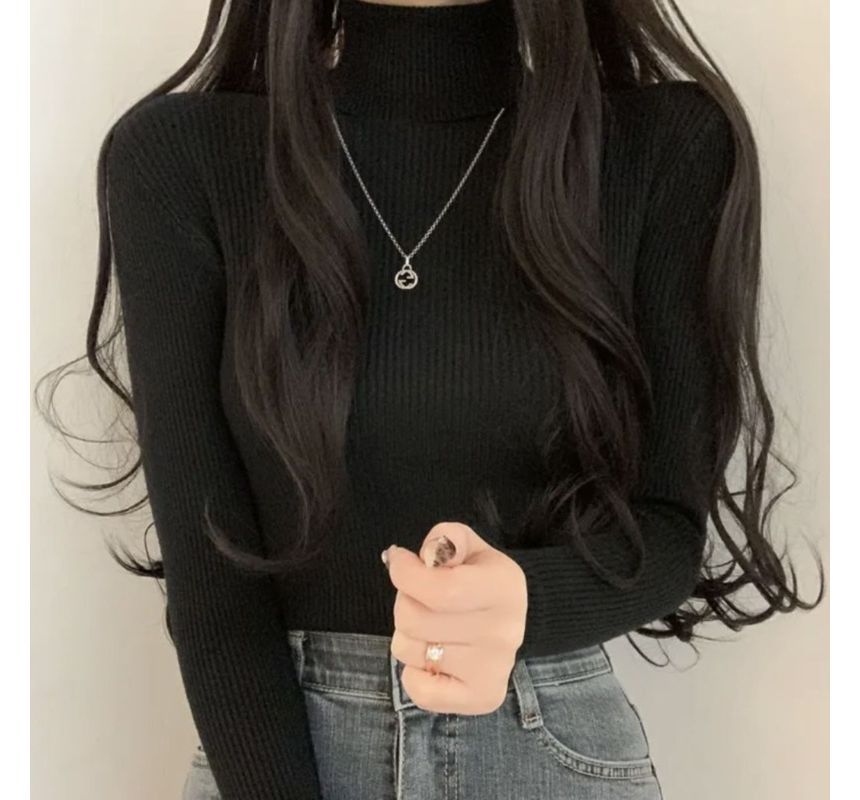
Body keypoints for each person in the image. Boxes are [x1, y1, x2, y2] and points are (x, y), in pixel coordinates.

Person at [36, 0, 825, 798]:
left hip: (550, 756)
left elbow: (669, 527)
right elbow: (212, 584)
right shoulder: (182, 156)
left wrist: (526, 603)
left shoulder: (663, 145)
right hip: (269, 757)